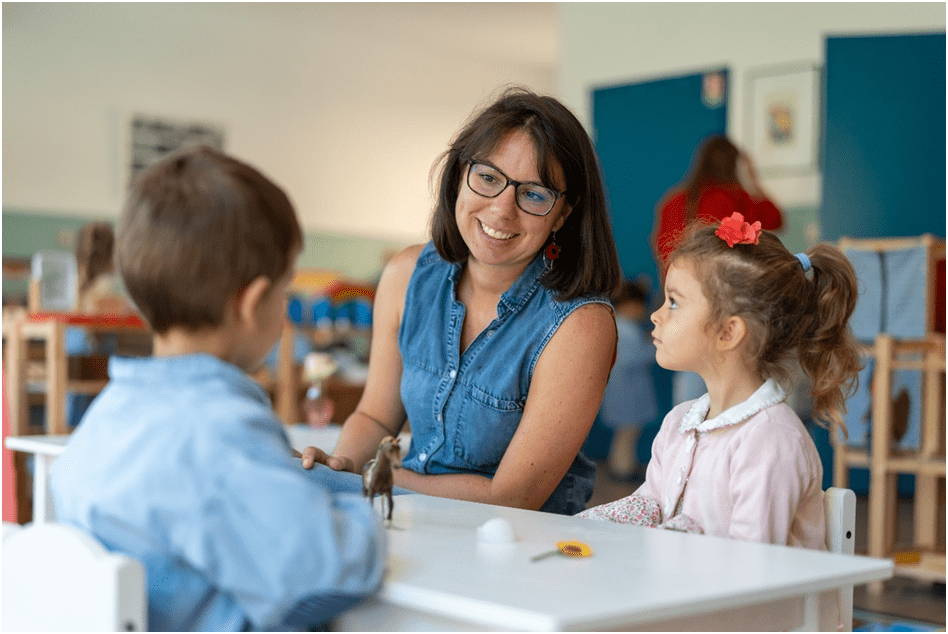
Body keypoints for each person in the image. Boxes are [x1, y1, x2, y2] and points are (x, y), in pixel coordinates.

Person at [50, 145, 387, 631]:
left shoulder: (109, 415)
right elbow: (331, 571)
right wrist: (357, 514)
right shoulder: (221, 430)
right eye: (285, 288)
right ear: (252, 303)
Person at [301, 86, 623, 515]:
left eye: (533, 194)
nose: (502, 210)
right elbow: (376, 417)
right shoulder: (406, 275)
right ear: (459, 176)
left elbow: (513, 498)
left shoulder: (580, 325)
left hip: (513, 546)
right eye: (488, 178)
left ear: (563, 214)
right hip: (411, 519)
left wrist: (374, 477)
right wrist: (342, 465)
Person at [578, 212, 861, 550]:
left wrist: (674, 541)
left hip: (758, 603)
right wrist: (590, 526)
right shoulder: (679, 422)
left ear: (728, 332)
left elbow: (749, 564)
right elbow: (652, 504)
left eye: (674, 302)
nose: (656, 315)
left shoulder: (771, 440)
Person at [652, 135, 785, 405]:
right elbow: (776, 218)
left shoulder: (674, 201)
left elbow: (662, 254)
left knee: (688, 389)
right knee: (725, 389)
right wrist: (753, 178)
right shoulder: (738, 198)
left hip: (681, 306)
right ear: (734, 165)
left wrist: (673, 299)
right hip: (726, 308)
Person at [601, 277, 658, 481]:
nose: (645, 311)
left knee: (626, 434)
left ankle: (623, 467)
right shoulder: (624, 329)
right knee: (626, 434)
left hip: (624, 391)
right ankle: (622, 470)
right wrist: (653, 346)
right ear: (631, 305)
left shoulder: (623, 327)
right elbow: (631, 358)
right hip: (626, 393)